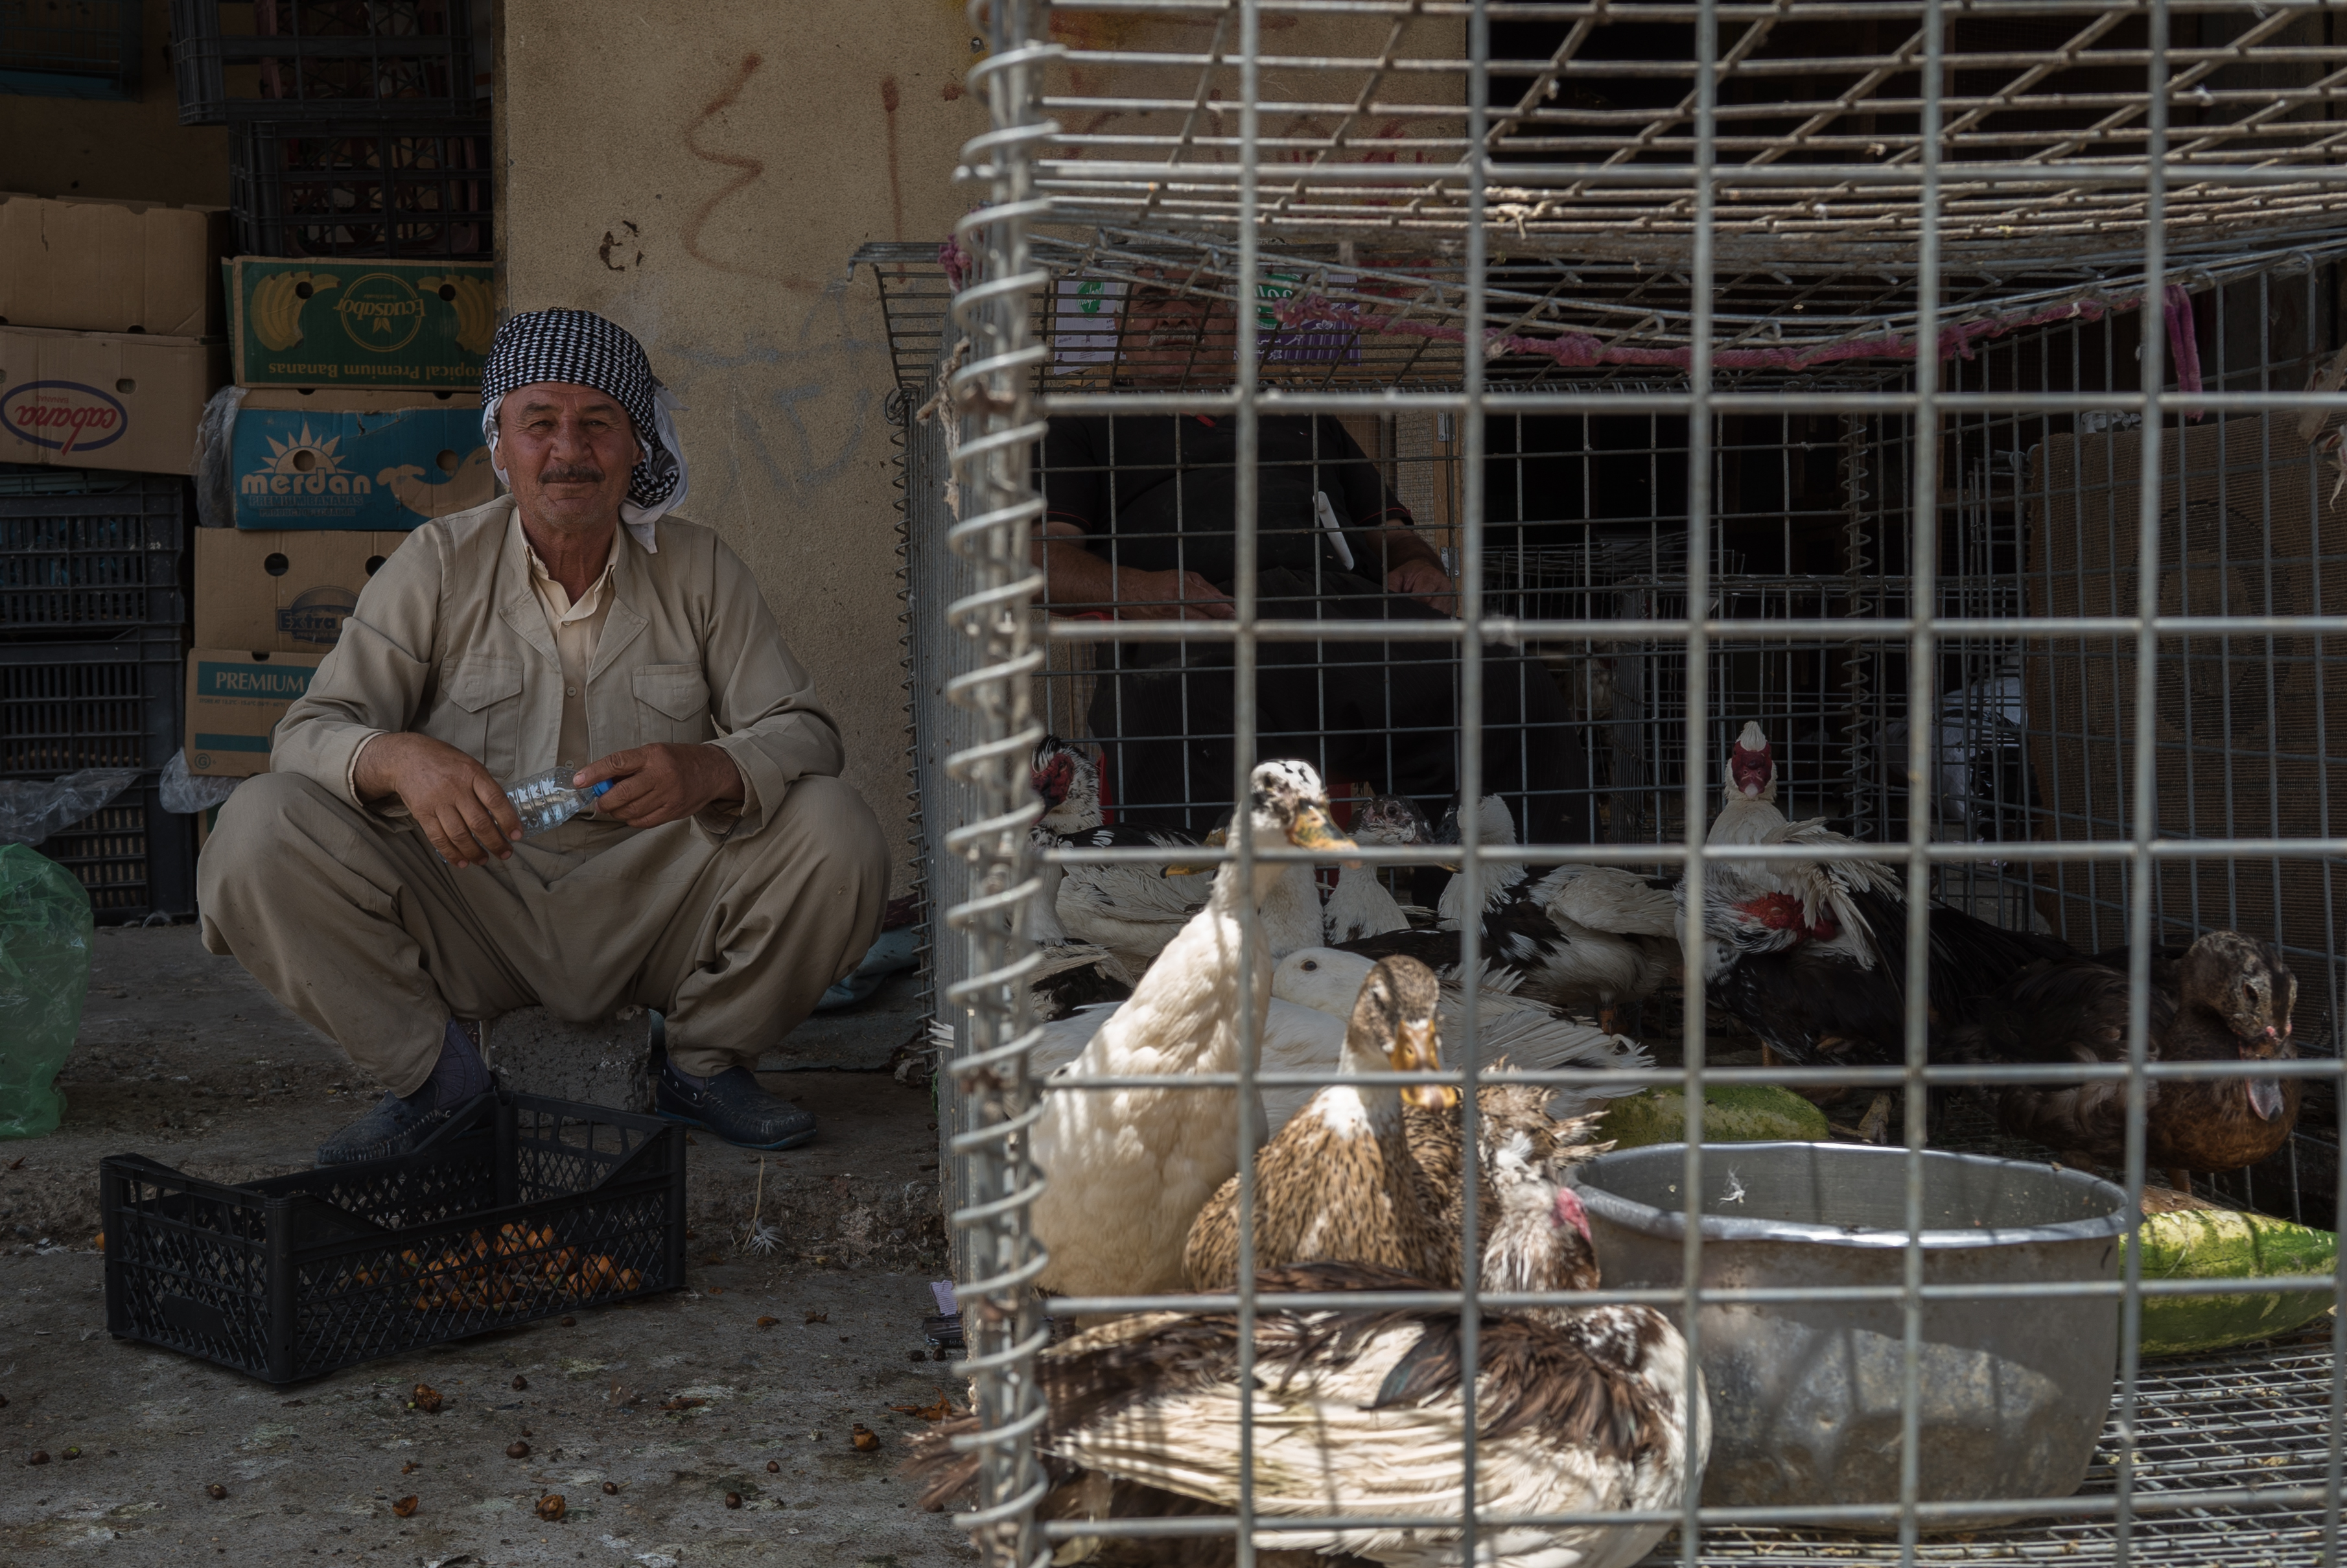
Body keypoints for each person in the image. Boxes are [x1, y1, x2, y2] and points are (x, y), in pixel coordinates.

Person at [198, 309, 891, 1163]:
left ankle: (704, 1065)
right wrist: (400, 758)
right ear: (502, 445)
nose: (570, 451)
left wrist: (708, 765)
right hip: (474, 898)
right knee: (258, 827)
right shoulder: (438, 562)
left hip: (658, 904)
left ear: (637, 446)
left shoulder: (701, 567)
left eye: (599, 423)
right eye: (541, 424)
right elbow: (309, 733)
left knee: (836, 825)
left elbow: (805, 734)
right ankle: (440, 1088)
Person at [1034, 284, 1592, 843]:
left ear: (1234, 324)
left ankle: (1504, 909)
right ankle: (1196, 917)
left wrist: (1418, 565)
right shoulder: (1085, 421)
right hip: (1201, 624)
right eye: (1153, 302)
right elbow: (1042, 563)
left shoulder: (1298, 413)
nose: (1178, 314)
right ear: (1119, 332)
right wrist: (1137, 590)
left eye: (1200, 299)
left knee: (1502, 677)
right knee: (1170, 696)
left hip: (1341, 614)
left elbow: (1393, 536)